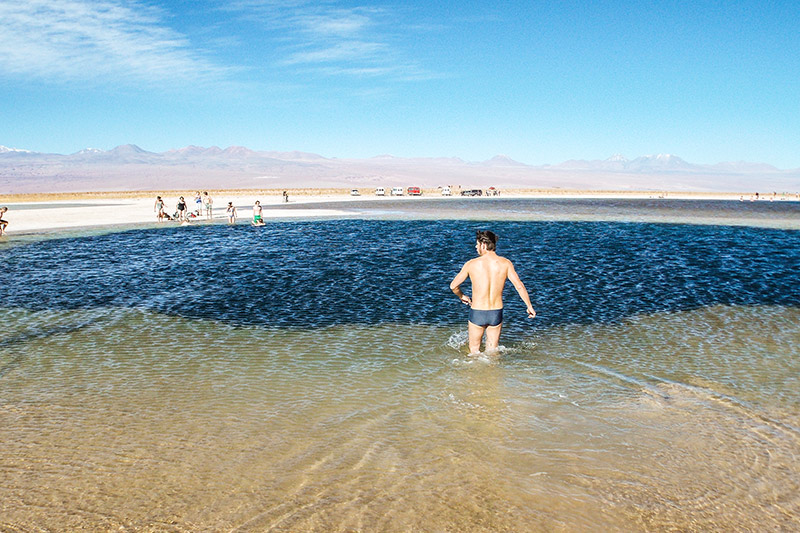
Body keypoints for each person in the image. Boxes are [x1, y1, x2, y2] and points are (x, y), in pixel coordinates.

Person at [450, 230, 536, 354]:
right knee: (492, 351)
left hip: (478, 312)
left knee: (474, 351)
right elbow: (519, 286)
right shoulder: (505, 263)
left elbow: (453, 285)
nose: (475, 247)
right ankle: (494, 373)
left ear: (483, 245)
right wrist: (529, 306)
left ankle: (472, 373)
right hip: (496, 312)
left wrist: (462, 295)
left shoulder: (471, 264)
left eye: (477, 244)